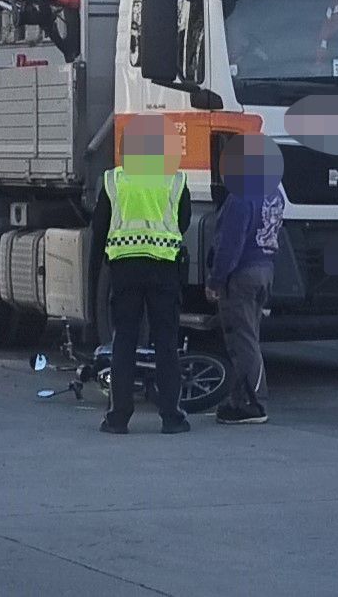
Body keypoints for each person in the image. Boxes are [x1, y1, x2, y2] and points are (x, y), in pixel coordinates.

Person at [92, 114, 193, 435]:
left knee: (124, 341)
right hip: (164, 270)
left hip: (124, 270)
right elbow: (184, 222)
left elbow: (99, 229)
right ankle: (171, 418)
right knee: (166, 343)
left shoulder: (114, 180)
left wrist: (96, 273)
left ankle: (118, 417)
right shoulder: (174, 180)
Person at [207, 135, 284, 425]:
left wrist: (216, 279)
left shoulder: (240, 197)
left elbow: (230, 244)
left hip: (242, 273)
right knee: (251, 336)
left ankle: (253, 402)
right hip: (265, 268)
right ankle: (241, 399)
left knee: (241, 339)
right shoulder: (275, 193)